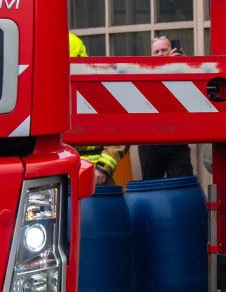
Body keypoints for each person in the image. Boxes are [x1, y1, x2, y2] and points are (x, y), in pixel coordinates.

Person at [69, 32, 129, 185]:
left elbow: (119, 132)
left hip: (98, 179)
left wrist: (103, 168)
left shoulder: (99, 92)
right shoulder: (47, 95)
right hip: (59, 177)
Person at [138, 36, 194, 179]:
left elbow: (193, 97)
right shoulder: (143, 74)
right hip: (150, 142)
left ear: (173, 51)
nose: (160, 54)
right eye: (156, 52)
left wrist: (184, 66)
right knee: (152, 187)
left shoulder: (183, 70)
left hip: (177, 141)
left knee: (181, 187)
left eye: (164, 50)